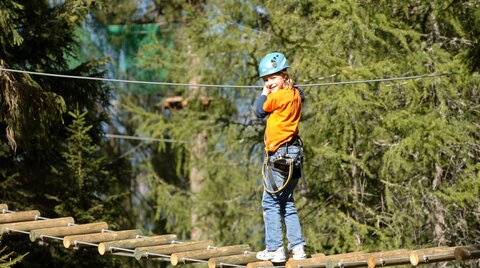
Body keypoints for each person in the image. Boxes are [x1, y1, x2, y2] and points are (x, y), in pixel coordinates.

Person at [253, 52, 307, 262]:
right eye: (266, 80)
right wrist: (281, 87)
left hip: (280, 155)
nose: (269, 83)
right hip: (294, 154)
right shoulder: (294, 94)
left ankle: (274, 248)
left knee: (270, 203)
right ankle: (298, 246)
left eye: (273, 78)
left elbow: (258, 110)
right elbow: (300, 94)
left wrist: (264, 91)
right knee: (287, 202)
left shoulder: (276, 97)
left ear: (285, 75)